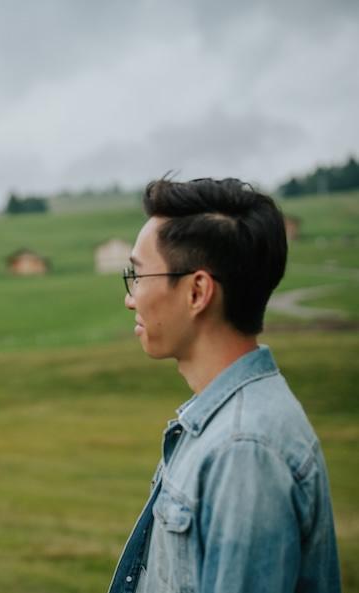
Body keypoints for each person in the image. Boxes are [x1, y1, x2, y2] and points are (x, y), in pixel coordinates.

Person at [109, 178, 341, 592]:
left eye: (139, 275)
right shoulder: (226, 426)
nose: (131, 298)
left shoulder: (244, 449)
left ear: (197, 291)